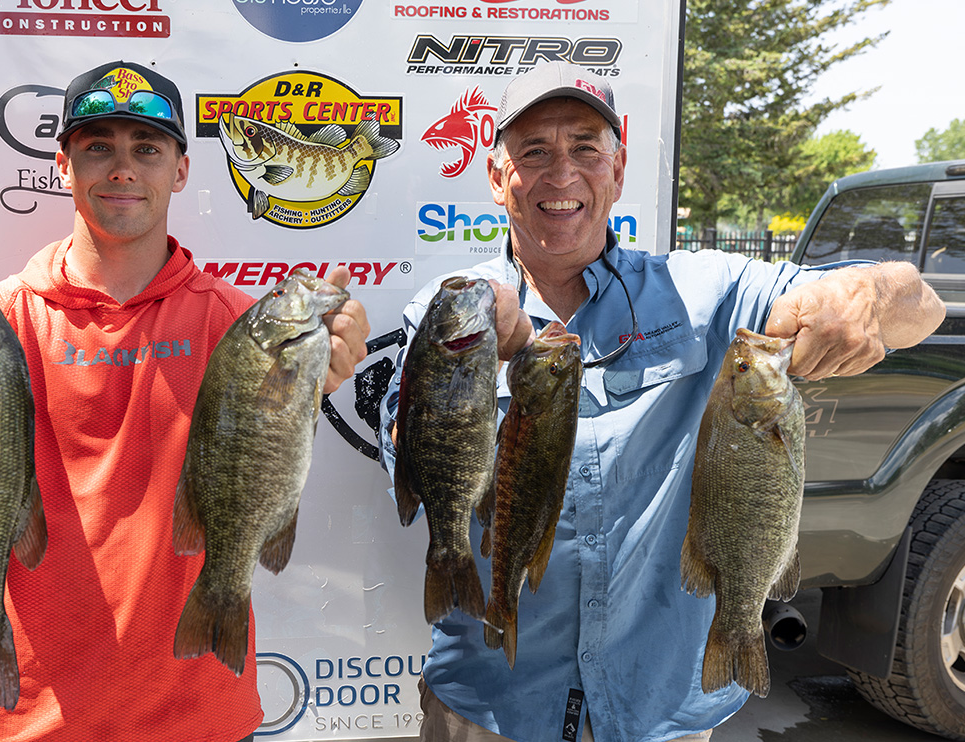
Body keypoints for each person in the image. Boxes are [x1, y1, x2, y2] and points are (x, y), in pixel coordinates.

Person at [377, 61, 945, 742]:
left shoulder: (710, 293)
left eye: (586, 148)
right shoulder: (447, 316)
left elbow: (921, 306)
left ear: (617, 172)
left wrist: (867, 297)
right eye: (534, 151)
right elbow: (410, 466)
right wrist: (467, 363)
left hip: (662, 713)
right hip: (489, 705)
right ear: (499, 179)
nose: (562, 173)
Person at [0, 60, 370, 742]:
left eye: (147, 149)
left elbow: (270, 458)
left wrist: (320, 369)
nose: (122, 168)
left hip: (202, 718)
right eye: (99, 146)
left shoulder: (243, 326)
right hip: (27, 720)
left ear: (180, 170)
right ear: (63, 165)